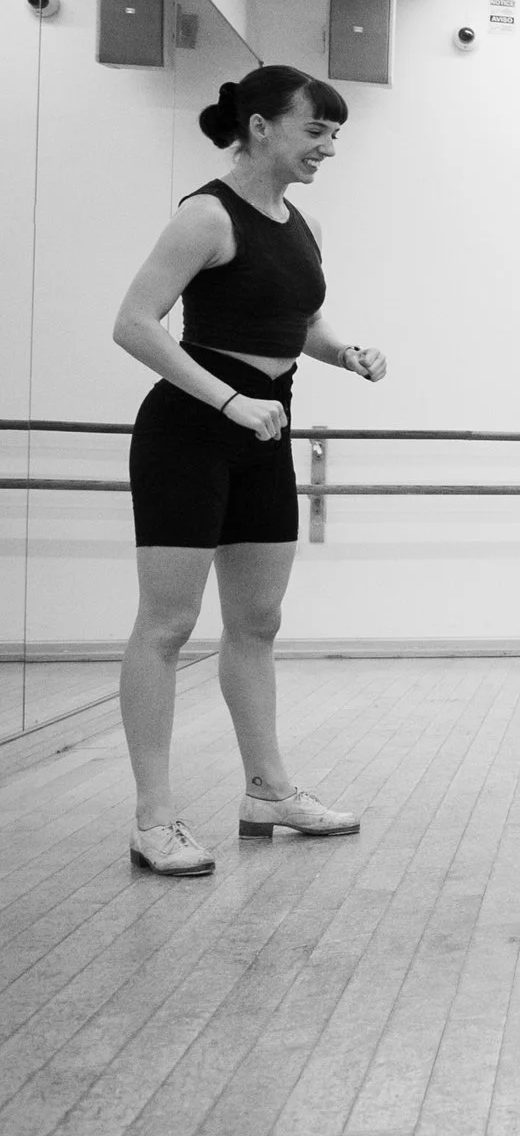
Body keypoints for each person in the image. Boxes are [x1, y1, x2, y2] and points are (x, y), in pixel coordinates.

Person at [111, 66, 385, 877]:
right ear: (260, 126)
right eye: (315, 131)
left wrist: (346, 351)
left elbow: (298, 323)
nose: (328, 148)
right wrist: (228, 399)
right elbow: (134, 323)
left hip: (265, 430)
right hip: (189, 434)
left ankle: (268, 791)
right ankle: (153, 818)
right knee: (166, 625)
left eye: (334, 134)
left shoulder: (303, 225)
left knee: (258, 621)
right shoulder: (205, 214)